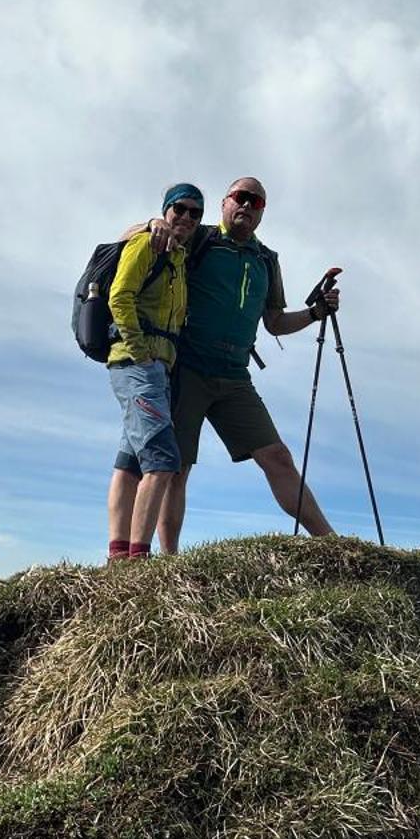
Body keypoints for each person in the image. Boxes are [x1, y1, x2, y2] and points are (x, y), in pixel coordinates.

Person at [115, 175, 340, 552]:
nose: (248, 206)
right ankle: (171, 561)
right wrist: (153, 223)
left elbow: (274, 323)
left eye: (257, 202)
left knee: (278, 457)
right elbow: (129, 239)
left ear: (262, 213)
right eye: (241, 197)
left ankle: (333, 545)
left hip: (235, 376)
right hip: (187, 368)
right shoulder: (199, 238)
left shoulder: (266, 260)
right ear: (225, 203)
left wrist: (316, 313)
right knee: (176, 469)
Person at [102, 183, 203, 561]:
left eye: (196, 213)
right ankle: (137, 558)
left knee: (130, 462)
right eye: (180, 209)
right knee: (163, 460)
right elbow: (119, 296)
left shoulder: (178, 256)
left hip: (155, 368)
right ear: (166, 210)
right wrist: (141, 350)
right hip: (137, 364)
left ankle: (118, 556)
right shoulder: (148, 243)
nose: (188, 218)